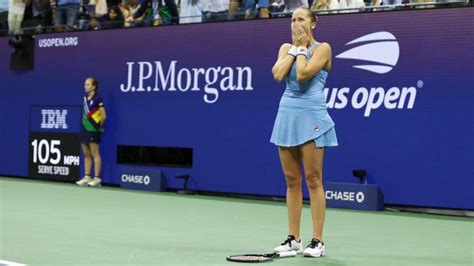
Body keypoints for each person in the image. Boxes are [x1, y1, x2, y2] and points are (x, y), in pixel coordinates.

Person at [270, 7, 338, 258]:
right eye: (292, 20)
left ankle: (318, 241)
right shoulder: (284, 48)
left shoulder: (323, 49)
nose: (295, 24)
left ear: (313, 24)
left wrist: (300, 49)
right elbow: (278, 75)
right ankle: (293, 239)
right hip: (287, 116)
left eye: (300, 19)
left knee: (313, 180)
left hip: (312, 118)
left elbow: (302, 75)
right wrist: (294, 49)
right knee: (291, 180)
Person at [76, 78, 107, 187]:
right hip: (84, 129)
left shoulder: (98, 99)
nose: (85, 86)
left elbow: (103, 116)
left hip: (93, 130)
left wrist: (99, 127)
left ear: (93, 87)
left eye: (88, 84)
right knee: (86, 153)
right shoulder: (85, 99)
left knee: (95, 153)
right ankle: (87, 176)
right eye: (85, 84)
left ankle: (97, 178)